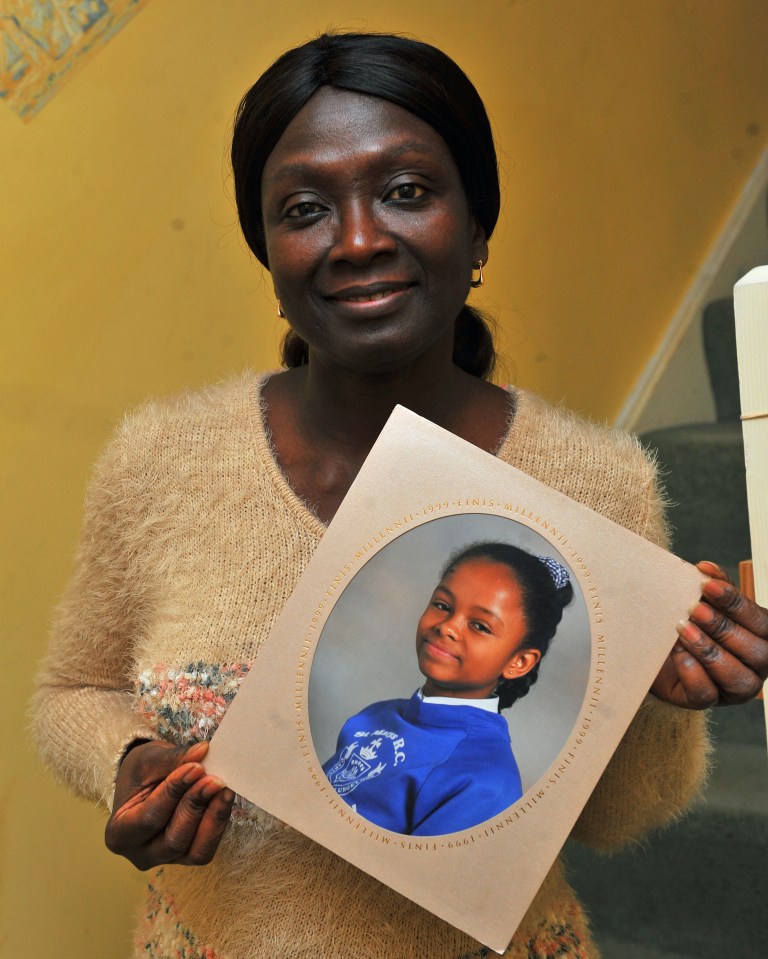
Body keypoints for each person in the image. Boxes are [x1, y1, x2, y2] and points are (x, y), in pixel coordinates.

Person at [32, 31, 768, 959]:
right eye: (305, 207)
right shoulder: (160, 458)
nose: (360, 238)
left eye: (407, 192)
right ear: (268, 249)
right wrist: (128, 765)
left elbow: (617, 819)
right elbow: (70, 690)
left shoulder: (599, 480)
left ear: (479, 229)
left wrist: (666, 697)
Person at [322, 543, 574, 835]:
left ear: (519, 662)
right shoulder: (376, 715)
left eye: (480, 626)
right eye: (442, 606)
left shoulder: (485, 781)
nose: (448, 627)